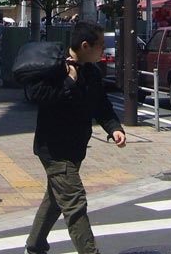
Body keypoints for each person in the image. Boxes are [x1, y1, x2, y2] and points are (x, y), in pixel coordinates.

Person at [25, 20, 126, 254]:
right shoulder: (55, 68)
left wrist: (114, 128)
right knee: (74, 203)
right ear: (84, 46)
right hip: (54, 149)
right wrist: (69, 81)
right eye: (100, 45)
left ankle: (34, 246)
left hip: (76, 147)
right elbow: (36, 95)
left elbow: (101, 105)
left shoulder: (91, 72)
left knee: (55, 200)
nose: (103, 49)